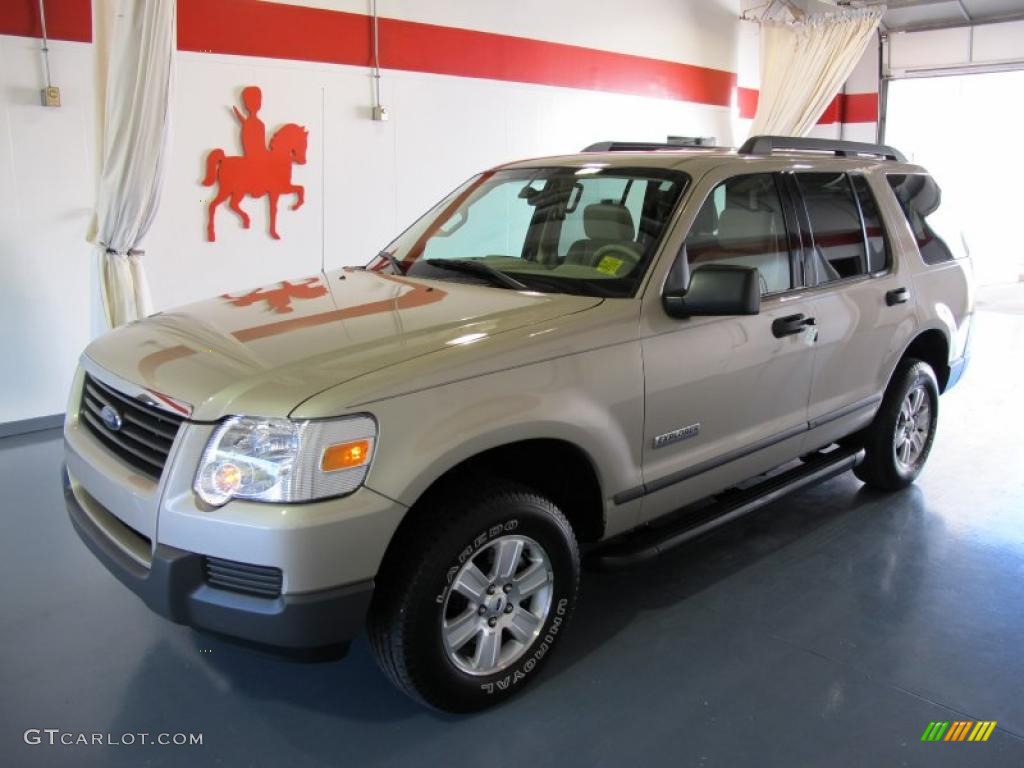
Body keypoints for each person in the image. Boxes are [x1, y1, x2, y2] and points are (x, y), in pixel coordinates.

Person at [232, 86, 268, 159]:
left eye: (258, 100)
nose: (256, 103)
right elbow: (258, 148)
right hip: (256, 157)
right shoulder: (257, 124)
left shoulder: (257, 124)